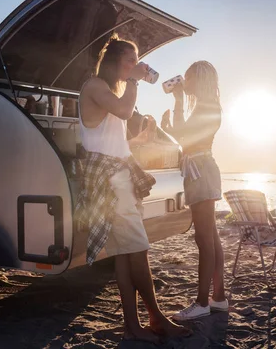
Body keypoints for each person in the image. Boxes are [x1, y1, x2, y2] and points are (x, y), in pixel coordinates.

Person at [76, 36, 189, 343]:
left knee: (125, 255)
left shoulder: (109, 91)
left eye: (137, 60)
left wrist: (140, 140)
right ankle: (156, 318)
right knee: (138, 251)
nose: (136, 65)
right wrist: (137, 81)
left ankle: (133, 325)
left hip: (117, 178)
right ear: (114, 61)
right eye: (130, 59)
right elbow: (125, 112)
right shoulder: (95, 86)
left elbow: (113, 143)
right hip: (111, 183)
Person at [161, 61, 227, 321]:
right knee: (212, 237)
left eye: (187, 78)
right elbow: (185, 137)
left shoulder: (206, 107)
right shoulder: (208, 105)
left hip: (200, 171)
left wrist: (177, 102)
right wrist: (171, 127)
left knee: (204, 240)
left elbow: (185, 138)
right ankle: (219, 298)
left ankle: (201, 302)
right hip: (201, 168)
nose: (183, 83)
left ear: (198, 79)